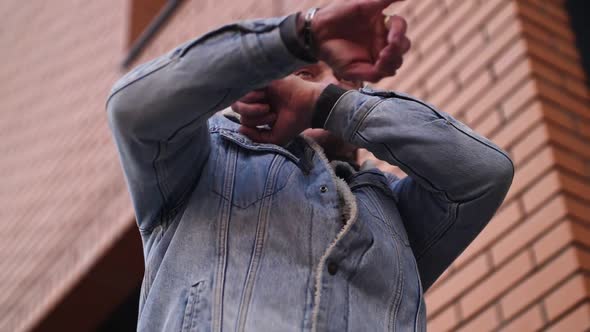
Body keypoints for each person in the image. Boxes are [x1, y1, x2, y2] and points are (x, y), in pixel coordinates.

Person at [106, 0, 514, 331]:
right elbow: (133, 110)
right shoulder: (205, 162)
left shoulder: (394, 214)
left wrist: (324, 104)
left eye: (333, 78)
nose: (310, 79)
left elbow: (482, 173)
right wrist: (300, 35)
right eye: (298, 72)